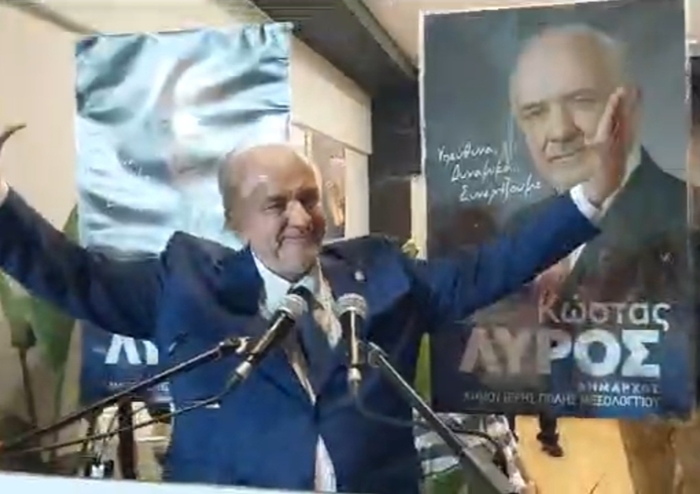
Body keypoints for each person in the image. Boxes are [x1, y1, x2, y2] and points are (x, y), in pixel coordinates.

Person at [0, 86, 625, 494]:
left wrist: (592, 192)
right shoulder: (185, 284)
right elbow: (73, 275)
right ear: (235, 221)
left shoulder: (382, 272)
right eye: (276, 205)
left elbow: (492, 265)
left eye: (309, 198)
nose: (301, 218)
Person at [505, 24, 693, 466]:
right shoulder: (519, 230)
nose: (559, 131)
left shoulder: (687, 216)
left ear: (632, 107)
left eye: (582, 100)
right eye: (535, 112)